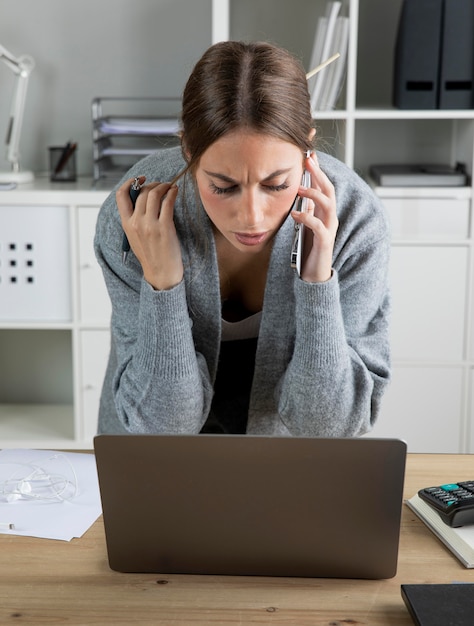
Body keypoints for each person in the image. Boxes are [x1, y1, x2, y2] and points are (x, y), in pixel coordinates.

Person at [94, 40, 391, 437]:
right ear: (187, 150)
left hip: (285, 467)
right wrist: (162, 283)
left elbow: (327, 427)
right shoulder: (136, 217)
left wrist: (318, 285)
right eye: (223, 186)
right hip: (152, 466)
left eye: (276, 184)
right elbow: (162, 426)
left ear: (308, 151)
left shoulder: (354, 218)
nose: (252, 218)